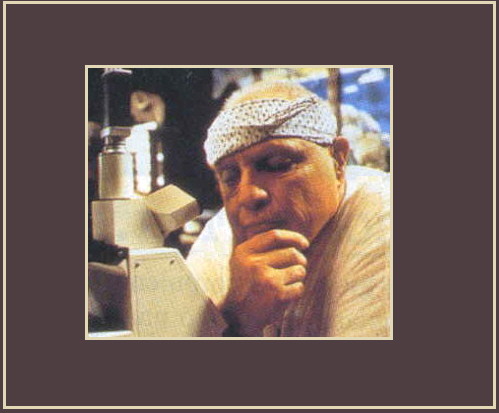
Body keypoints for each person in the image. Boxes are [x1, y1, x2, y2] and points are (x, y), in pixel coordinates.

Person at [186, 80, 390, 337]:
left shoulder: (384, 216)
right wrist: (238, 318)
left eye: (277, 164)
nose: (249, 195)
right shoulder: (219, 234)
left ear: (338, 161)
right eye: (230, 177)